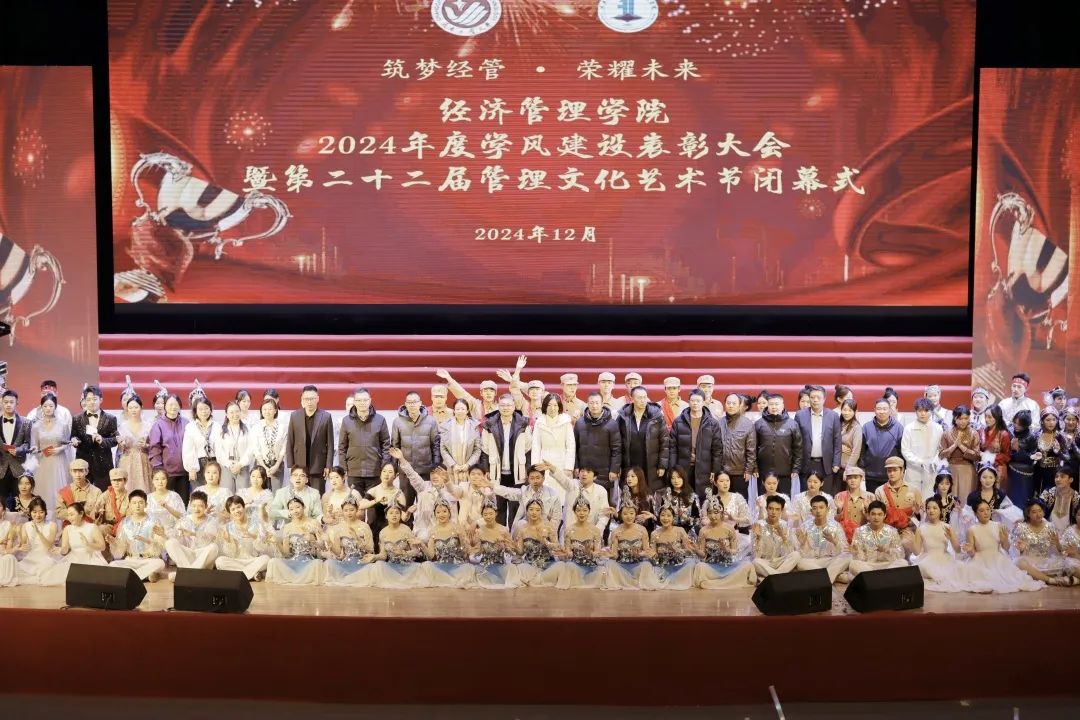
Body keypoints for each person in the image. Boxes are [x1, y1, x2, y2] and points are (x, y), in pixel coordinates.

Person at [961, 499, 1043, 593]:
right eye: (982, 510)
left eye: (988, 509)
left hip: (997, 558)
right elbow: (972, 553)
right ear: (976, 513)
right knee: (981, 580)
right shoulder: (971, 530)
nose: (986, 513)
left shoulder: (998, 526)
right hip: (980, 559)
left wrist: (1005, 540)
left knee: (1009, 579)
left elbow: (1006, 548)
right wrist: (970, 550)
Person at [480, 394, 532, 525]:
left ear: (514, 407)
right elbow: (484, 450)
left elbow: (528, 449)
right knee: (499, 509)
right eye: (502, 405)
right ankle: (500, 535)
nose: (505, 408)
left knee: (515, 510)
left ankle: (513, 535)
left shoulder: (523, 424)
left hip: (517, 473)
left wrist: (527, 470)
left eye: (508, 405)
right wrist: (486, 469)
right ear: (498, 406)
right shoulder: (489, 425)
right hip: (497, 472)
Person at [668, 390, 724, 499]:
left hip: (704, 467)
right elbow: (672, 448)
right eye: (692, 400)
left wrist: (715, 470)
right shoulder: (678, 422)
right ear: (688, 402)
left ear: (703, 402)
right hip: (683, 467)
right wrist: (673, 468)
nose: (695, 403)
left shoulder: (712, 423)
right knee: (684, 497)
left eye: (698, 401)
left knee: (703, 498)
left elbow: (717, 449)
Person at [692, 493, 756, 589]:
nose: (713, 516)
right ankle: (729, 582)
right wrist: (695, 549)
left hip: (728, 566)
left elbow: (734, 551)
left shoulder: (729, 529)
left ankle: (715, 583)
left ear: (721, 513)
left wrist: (726, 549)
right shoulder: (703, 531)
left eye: (716, 512)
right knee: (700, 567)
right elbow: (703, 555)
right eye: (710, 513)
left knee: (748, 565)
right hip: (712, 567)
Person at [392, 450, 456, 542]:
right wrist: (402, 459)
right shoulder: (424, 487)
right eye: (432, 473)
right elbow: (412, 474)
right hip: (424, 533)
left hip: (445, 531)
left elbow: (454, 516)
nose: (435, 476)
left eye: (438, 473)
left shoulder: (451, 490)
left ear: (445, 475)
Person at [338, 387, 391, 496]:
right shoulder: (346, 421)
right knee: (355, 504)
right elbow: (342, 447)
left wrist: (383, 466)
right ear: (354, 402)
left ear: (370, 400)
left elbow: (386, 445)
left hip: (375, 471)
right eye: (359, 400)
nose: (362, 403)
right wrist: (343, 469)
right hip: (354, 472)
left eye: (365, 400)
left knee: (374, 505)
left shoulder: (380, 420)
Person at [392, 390, 440, 508]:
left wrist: (436, 465)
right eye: (409, 402)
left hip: (425, 471)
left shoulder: (431, 421)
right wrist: (394, 468)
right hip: (405, 472)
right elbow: (394, 446)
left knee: (425, 506)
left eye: (415, 402)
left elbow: (436, 445)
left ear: (420, 403)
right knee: (405, 506)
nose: (412, 404)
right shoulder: (397, 422)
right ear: (405, 404)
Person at [40, 503, 108, 585]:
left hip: (91, 558)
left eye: (72, 515)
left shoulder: (92, 527)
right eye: (68, 515)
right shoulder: (67, 529)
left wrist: (88, 544)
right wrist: (60, 550)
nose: (69, 518)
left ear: (81, 513)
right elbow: (65, 549)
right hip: (74, 558)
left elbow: (102, 547)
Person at [362, 503, 427, 588]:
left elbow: (416, 551)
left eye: (397, 513)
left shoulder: (406, 529)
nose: (394, 515)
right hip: (391, 567)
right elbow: (384, 556)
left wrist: (403, 553)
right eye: (391, 513)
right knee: (378, 565)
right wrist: (374, 557)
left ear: (400, 516)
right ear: (386, 516)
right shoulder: (383, 532)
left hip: (407, 567)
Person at [107, 490, 166, 581]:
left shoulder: (154, 521)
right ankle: (145, 576)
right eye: (134, 503)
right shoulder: (125, 523)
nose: (137, 506)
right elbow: (120, 551)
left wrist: (147, 540)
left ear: (146, 504)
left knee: (160, 563)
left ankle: (131, 577)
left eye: (140, 503)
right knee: (112, 565)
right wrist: (113, 542)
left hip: (149, 560)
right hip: (131, 560)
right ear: (130, 505)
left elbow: (160, 548)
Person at [618, 385, 669, 492]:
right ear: (632, 399)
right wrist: (617, 466)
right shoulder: (623, 416)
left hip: (651, 462)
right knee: (631, 492)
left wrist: (662, 465)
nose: (643, 400)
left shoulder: (656, 416)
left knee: (649, 492)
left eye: (645, 397)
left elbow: (664, 441)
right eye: (639, 397)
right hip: (630, 461)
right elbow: (617, 442)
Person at [285, 385, 335, 493]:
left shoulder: (326, 417)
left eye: (312, 398)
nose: (309, 402)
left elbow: (330, 444)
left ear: (317, 399)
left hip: (318, 465)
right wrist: (290, 465)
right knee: (299, 497)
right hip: (299, 466)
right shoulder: (295, 416)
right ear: (302, 399)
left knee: (317, 496)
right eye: (306, 399)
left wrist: (328, 465)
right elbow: (290, 442)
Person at [1013, 499, 1075, 586]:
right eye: (1034, 512)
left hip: (1046, 562)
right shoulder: (1020, 528)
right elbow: (1014, 551)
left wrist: (1057, 543)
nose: (1038, 514)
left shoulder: (1050, 526)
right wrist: (1021, 549)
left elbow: (1059, 550)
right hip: (1029, 562)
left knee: (1068, 563)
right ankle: (1051, 580)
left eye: (1040, 511)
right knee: (1019, 563)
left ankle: (1041, 576)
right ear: (1028, 514)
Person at [603, 494, 659, 590]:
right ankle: (623, 581)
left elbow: (646, 550)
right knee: (610, 564)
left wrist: (642, 554)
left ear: (635, 514)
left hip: (637, 564)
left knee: (646, 565)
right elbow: (615, 555)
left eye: (631, 513)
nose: (629, 516)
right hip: (621, 565)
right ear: (621, 515)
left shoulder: (642, 530)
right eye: (625, 514)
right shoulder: (616, 531)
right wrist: (609, 554)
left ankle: (636, 581)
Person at [574, 392, 622, 503]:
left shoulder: (612, 424)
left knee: (603, 504)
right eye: (591, 403)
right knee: (584, 504)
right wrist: (576, 466)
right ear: (587, 404)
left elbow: (617, 449)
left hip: (604, 471)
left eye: (597, 403)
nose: (594, 406)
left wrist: (614, 469)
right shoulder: (580, 423)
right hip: (585, 471)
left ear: (602, 404)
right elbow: (574, 447)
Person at [794, 385, 843, 495]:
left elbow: (837, 441)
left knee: (825, 496)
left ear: (824, 399)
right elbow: (796, 442)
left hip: (826, 464)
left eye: (818, 397)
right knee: (806, 496)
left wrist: (836, 463)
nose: (815, 400)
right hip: (806, 463)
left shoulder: (833, 416)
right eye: (812, 397)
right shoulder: (800, 415)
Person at [28, 392, 70, 515]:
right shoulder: (36, 426)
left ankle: (60, 518)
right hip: (43, 461)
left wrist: (60, 449)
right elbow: (34, 445)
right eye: (45, 406)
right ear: (41, 407)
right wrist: (34, 449)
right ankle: (42, 516)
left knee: (58, 490)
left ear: (55, 407)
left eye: (51, 406)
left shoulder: (63, 424)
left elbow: (68, 443)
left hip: (59, 461)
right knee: (44, 489)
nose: (48, 408)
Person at [267, 497, 325, 585]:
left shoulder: (313, 522)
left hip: (310, 562)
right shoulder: (287, 527)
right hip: (293, 561)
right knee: (273, 562)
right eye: (291, 509)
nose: (295, 511)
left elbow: (323, 546)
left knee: (317, 564)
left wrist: (313, 541)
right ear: (289, 512)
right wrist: (277, 542)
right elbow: (286, 553)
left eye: (298, 507)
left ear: (304, 507)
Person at [912, 497, 966, 592]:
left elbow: (957, 550)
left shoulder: (947, 527)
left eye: (934, 508)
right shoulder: (921, 529)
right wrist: (912, 540)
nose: (931, 510)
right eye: (928, 508)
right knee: (925, 568)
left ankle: (938, 578)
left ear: (940, 510)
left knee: (960, 568)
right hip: (927, 559)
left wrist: (951, 538)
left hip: (944, 558)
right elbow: (916, 552)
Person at [544, 463, 612, 538]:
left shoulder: (601, 491)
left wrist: (596, 532)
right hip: (568, 533)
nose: (584, 474)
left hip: (590, 534)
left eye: (588, 472)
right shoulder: (572, 484)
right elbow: (563, 478)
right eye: (582, 471)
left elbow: (604, 515)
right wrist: (552, 468)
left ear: (595, 477)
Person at [554, 496, 608, 590]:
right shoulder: (569, 530)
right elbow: (569, 553)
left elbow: (597, 552)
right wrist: (565, 553)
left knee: (603, 572)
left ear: (589, 511)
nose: (581, 513)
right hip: (575, 567)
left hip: (592, 567)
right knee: (569, 566)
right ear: (574, 512)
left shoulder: (595, 531)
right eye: (578, 510)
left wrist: (591, 552)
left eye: (584, 510)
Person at [421, 498, 477, 588]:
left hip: (457, 566)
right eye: (438, 512)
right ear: (435, 514)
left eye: (444, 511)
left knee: (468, 570)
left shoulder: (458, 528)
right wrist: (422, 545)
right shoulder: (433, 531)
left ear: (449, 513)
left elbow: (466, 553)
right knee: (425, 566)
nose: (441, 514)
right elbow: (431, 555)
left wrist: (461, 538)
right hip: (440, 567)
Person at [215, 495, 274, 581]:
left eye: (238, 507)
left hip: (254, 560)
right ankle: (252, 574)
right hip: (237, 561)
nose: (236, 511)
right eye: (233, 509)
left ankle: (240, 576)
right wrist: (228, 541)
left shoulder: (256, 523)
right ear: (230, 512)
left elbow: (263, 548)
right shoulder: (227, 528)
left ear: (244, 507)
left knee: (266, 559)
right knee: (219, 561)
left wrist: (253, 537)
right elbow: (231, 554)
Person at [491, 463, 562, 532]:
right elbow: (508, 492)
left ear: (543, 478)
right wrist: (490, 485)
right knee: (521, 523)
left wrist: (548, 532)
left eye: (538, 478)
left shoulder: (553, 495)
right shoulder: (524, 491)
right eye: (532, 478)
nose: (535, 481)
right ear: (528, 479)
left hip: (545, 529)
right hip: (527, 529)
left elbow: (556, 518)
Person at [845, 501, 907, 580]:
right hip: (868, 566)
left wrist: (888, 550)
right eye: (873, 514)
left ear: (884, 515)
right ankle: (883, 579)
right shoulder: (859, 531)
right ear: (868, 515)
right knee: (854, 564)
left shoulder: (892, 531)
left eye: (879, 514)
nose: (876, 517)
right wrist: (856, 552)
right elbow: (860, 559)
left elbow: (901, 554)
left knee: (903, 563)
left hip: (887, 565)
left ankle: (874, 579)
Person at [532, 393, 576, 505]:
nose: (552, 408)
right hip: (544, 462)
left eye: (555, 405)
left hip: (562, 462)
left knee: (562, 497)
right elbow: (536, 446)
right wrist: (535, 467)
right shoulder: (539, 422)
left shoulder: (566, 422)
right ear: (545, 406)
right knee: (545, 497)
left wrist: (569, 467)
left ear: (559, 407)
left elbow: (570, 446)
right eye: (549, 405)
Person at [795, 495, 850, 583]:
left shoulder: (835, 526)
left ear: (827, 509)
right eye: (815, 508)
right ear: (811, 511)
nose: (818, 511)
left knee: (848, 557)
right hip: (811, 562)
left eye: (821, 507)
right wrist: (802, 543)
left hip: (830, 560)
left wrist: (834, 542)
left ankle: (822, 578)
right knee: (800, 563)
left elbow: (844, 550)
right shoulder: (804, 526)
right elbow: (799, 552)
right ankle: (832, 576)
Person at [755, 393, 802, 496]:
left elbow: (798, 448)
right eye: (771, 404)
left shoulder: (792, 424)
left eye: (777, 404)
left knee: (784, 501)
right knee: (764, 502)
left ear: (783, 405)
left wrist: (796, 468)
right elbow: (753, 448)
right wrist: (755, 467)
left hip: (785, 472)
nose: (774, 407)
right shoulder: (759, 424)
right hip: (764, 472)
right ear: (767, 405)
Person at [324, 498, 376, 586]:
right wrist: (328, 542)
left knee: (374, 568)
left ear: (357, 509)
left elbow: (370, 549)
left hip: (362, 562)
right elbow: (338, 553)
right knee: (329, 563)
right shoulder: (339, 527)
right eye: (346, 510)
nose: (349, 513)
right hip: (346, 562)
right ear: (342, 511)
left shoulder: (364, 526)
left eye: (352, 510)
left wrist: (357, 538)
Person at [148, 393, 190, 503]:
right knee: (166, 504)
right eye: (170, 404)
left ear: (180, 406)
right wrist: (159, 470)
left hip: (184, 472)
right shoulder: (158, 425)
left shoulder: (186, 423)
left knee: (183, 504)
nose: (173, 407)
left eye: (176, 404)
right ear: (165, 406)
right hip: (166, 474)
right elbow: (154, 449)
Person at [164, 491, 220, 573]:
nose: (196, 509)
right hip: (187, 555)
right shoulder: (184, 520)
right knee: (170, 542)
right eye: (194, 506)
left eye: (200, 506)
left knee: (214, 547)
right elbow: (176, 537)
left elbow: (210, 538)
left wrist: (193, 534)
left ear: (206, 506)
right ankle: (191, 573)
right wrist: (164, 533)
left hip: (203, 555)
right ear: (190, 505)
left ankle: (185, 573)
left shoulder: (212, 521)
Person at [875, 456, 921, 551]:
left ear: (902, 470)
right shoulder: (880, 491)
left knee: (906, 544)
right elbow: (877, 515)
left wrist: (917, 513)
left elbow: (922, 517)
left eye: (895, 470)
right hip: (887, 530)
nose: (892, 473)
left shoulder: (914, 490)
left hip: (907, 529)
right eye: (889, 471)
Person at [470, 498, 518, 589]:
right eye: (485, 514)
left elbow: (511, 551)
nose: (488, 517)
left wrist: (505, 547)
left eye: (491, 514)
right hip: (484, 567)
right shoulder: (479, 531)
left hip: (501, 566)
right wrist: (472, 545)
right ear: (482, 516)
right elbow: (476, 552)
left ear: (496, 513)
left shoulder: (503, 530)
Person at [901, 398, 944, 499]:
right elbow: (905, 450)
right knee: (912, 499)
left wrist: (935, 460)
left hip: (931, 470)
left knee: (930, 499)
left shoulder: (938, 428)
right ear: (916, 411)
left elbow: (941, 449)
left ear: (931, 411)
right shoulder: (909, 428)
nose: (923, 414)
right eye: (920, 410)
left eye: (926, 410)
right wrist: (920, 462)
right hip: (913, 470)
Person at [751, 495, 800, 580]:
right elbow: (756, 555)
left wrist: (783, 536)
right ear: (766, 509)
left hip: (780, 561)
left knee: (796, 555)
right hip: (765, 562)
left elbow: (790, 552)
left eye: (777, 509)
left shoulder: (784, 525)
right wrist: (758, 538)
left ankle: (773, 577)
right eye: (771, 508)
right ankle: (780, 578)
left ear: (781, 511)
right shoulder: (758, 525)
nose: (773, 512)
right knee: (756, 562)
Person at [650, 501, 697, 589]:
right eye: (663, 515)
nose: (665, 518)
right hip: (662, 567)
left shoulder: (680, 530)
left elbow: (689, 552)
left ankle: (678, 579)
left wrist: (676, 550)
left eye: (669, 515)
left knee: (691, 563)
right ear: (659, 517)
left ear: (673, 517)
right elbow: (653, 555)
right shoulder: (654, 534)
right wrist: (650, 555)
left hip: (678, 565)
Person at [361, 462, 408, 549]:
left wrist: (409, 512)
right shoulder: (374, 490)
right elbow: (361, 506)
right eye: (384, 471)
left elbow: (404, 517)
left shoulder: (399, 493)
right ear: (380, 473)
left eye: (390, 472)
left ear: (396, 475)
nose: (386, 474)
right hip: (375, 529)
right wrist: (376, 500)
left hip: (393, 529)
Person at [860, 397, 903, 492]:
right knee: (873, 500)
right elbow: (862, 450)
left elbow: (901, 451)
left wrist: (902, 470)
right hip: (871, 474)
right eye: (879, 409)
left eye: (884, 409)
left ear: (890, 410)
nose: (882, 412)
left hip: (892, 474)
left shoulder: (898, 428)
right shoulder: (866, 427)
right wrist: (862, 468)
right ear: (874, 410)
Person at [720, 392, 757, 499]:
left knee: (740, 502)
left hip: (740, 472)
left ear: (740, 405)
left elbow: (751, 450)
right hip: (722, 471)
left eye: (734, 403)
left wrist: (748, 470)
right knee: (722, 501)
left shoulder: (748, 424)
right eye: (728, 403)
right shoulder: (719, 423)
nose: (731, 406)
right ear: (725, 404)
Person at [15, 498, 59, 585]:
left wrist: (38, 532)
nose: (37, 515)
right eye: (34, 512)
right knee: (16, 572)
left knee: (47, 567)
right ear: (30, 512)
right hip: (31, 558)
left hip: (47, 557)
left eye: (41, 512)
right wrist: (19, 534)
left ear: (45, 512)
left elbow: (49, 546)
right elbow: (23, 544)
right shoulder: (26, 525)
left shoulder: (52, 525)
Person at [439, 397, 481, 485]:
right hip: (451, 469)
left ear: (467, 411)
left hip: (469, 470)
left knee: (468, 492)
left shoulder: (474, 426)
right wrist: (453, 465)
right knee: (451, 492)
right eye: (457, 409)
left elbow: (477, 449)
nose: (460, 411)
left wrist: (468, 465)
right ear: (454, 411)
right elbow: (443, 449)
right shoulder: (445, 426)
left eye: (463, 409)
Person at [116, 394, 152, 494]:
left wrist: (146, 446)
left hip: (144, 460)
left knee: (145, 490)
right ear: (127, 409)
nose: (133, 410)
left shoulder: (149, 425)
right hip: (127, 460)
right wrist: (121, 445)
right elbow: (120, 449)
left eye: (136, 407)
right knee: (128, 489)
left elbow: (153, 446)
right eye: (130, 407)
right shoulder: (122, 426)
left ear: (141, 407)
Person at [213, 400, 253, 493]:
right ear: (226, 414)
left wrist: (240, 464)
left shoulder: (247, 429)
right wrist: (229, 464)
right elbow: (219, 451)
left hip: (243, 467)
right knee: (227, 495)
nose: (235, 414)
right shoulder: (221, 430)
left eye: (237, 411)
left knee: (243, 496)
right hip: (226, 467)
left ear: (240, 412)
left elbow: (251, 449)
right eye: (231, 412)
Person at [0, 390, 31, 505]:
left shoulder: (26, 422)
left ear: (16, 403)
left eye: (11, 402)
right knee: (1, 504)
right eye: (6, 402)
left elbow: (27, 444)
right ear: (1, 403)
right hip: (1, 468)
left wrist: (19, 450)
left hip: (19, 469)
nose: (8, 405)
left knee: (19, 504)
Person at [182, 395, 218, 493]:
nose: (204, 411)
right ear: (195, 411)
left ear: (210, 410)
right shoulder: (190, 427)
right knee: (199, 494)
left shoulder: (217, 426)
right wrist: (191, 468)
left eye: (206, 408)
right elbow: (188, 449)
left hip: (214, 462)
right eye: (200, 409)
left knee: (214, 492)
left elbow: (220, 448)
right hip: (198, 464)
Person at [251, 397, 287, 492]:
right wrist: (264, 467)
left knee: (276, 493)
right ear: (261, 411)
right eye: (264, 409)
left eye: (270, 409)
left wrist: (277, 465)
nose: (267, 412)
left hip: (277, 465)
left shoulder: (282, 428)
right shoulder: (256, 428)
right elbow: (256, 449)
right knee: (260, 493)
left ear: (275, 410)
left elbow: (283, 449)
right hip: (261, 464)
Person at [652, 466, 699, 537]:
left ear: (683, 478)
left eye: (678, 477)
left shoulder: (692, 496)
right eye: (673, 478)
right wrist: (653, 516)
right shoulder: (662, 495)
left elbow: (698, 520)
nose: (676, 481)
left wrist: (686, 518)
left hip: (688, 532)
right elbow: (657, 517)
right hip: (667, 531)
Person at [1033, 408, 1068, 496]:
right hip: (1037, 471)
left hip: (1053, 472)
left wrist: (1058, 452)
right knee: (1037, 494)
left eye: (1054, 420)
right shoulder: (1037, 434)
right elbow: (1031, 452)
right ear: (1042, 421)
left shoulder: (1060, 437)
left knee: (1049, 496)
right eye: (1048, 420)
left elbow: (1067, 458)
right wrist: (1034, 456)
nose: (1051, 422)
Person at [55, 458, 102, 523]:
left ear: (86, 471)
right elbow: (58, 512)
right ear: (70, 472)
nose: (77, 475)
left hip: (90, 526)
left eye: (81, 471)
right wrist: (75, 514)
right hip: (70, 526)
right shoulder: (64, 492)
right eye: (74, 471)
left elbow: (99, 513)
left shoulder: (96, 492)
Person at [1007, 410, 1038, 506]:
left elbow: (1033, 457)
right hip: (1009, 471)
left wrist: (1018, 451)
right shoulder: (1009, 431)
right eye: (1015, 422)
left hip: (1024, 475)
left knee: (1021, 501)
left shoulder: (1031, 437)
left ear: (1026, 425)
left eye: (1020, 424)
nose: (1016, 426)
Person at [835, 466, 871, 543]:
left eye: (855, 477)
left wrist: (868, 509)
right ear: (846, 479)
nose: (852, 480)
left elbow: (875, 520)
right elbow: (834, 521)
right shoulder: (839, 496)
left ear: (861, 478)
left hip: (864, 537)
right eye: (850, 478)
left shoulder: (869, 497)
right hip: (844, 537)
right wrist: (839, 509)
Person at [320, 466, 364, 530]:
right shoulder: (326, 496)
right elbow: (326, 516)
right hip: (333, 527)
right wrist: (329, 514)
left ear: (343, 478)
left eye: (336, 477)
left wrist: (346, 515)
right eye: (331, 478)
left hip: (351, 527)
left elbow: (361, 515)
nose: (333, 481)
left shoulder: (354, 493)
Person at [1039, 466, 1080, 533]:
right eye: (1056, 477)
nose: (1058, 479)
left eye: (1062, 477)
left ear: (1071, 480)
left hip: (1068, 534)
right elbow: (1038, 510)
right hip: (1048, 531)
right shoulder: (1048, 493)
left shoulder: (1076, 497)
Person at [980, 405, 1011, 491]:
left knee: (996, 494)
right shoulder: (982, 431)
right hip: (984, 468)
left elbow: (1007, 456)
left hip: (998, 469)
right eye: (985, 416)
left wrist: (988, 456)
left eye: (990, 417)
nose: (986, 419)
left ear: (997, 417)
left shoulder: (1003, 434)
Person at [92, 468, 131, 538]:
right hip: (107, 526)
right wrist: (97, 513)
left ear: (125, 481)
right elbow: (95, 513)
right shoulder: (105, 495)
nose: (116, 483)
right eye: (114, 480)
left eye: (119, 480)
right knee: (100, 529)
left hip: (123, 526)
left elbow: (130, 518)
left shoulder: (130, 497)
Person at [615, 466, 656, 533]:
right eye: (627, 476)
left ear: (640, 478)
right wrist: (615, 514)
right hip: (627, 530)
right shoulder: (625, 495)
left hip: (645, 531)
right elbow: (621, 518)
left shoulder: (648, 495)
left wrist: (651, 516)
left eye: (632, 476)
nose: (629, 479)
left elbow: (657, 517)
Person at [146, 468, 185, 533]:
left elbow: (182, 516)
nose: (160, 482)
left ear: (167, 480)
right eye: (157, 479)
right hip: (153, 532)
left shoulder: (174, 496)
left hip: (171, 532)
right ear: (152, 481)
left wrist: (167, 507)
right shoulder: (148, 498)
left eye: (163, 479)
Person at [839, 398, 862, 471]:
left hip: (848, 468)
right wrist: (839, 446)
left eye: (850, 410)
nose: (846, 413)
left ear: (855, 412)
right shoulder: (837, 423)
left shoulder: (856, 427)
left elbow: (856, 452)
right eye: (844, 410)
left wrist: (848, 469)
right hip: (835, 466)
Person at [1060, 504, 1080, 576]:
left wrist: (1076, 555)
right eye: (1079, 515)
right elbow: (1064, 551)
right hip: (1073, 562)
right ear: (1075, 516)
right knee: (1070, 564)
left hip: (1077, 557)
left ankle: (1074, 580)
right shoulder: (1069, 531)